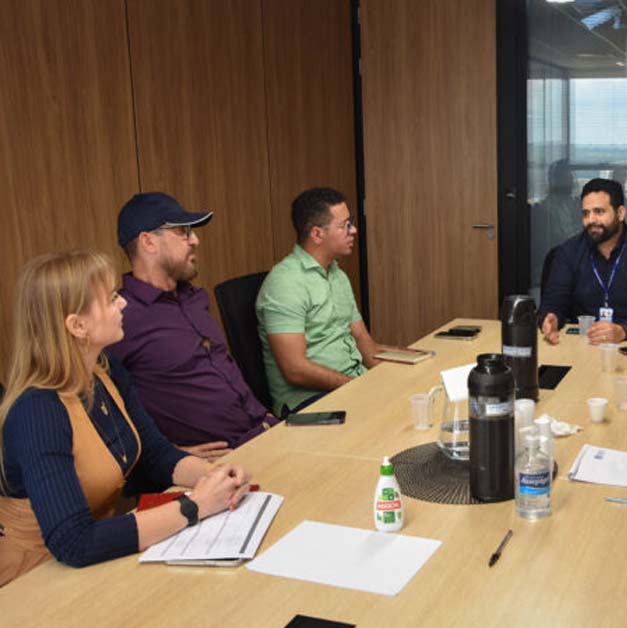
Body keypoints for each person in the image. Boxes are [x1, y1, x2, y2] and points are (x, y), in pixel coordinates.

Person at [0, 250, 253, 586]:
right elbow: (73, 541)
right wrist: (196, 506)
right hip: (34, 576)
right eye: (110, 299)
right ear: (77, 326)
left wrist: (217, 477)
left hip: (98, 556)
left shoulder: (106, 371)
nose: (123, 305)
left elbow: (156, 455)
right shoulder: (38, 411)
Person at [107, 192, 277, 459]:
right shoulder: (121, 316)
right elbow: (98, 411)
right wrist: (167, 455)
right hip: (220, 464)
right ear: (148, 242)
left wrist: (265, 416)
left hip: (266, 431)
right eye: (184, 232)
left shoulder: (194, 297)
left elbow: (221, 369)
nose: (195, 240)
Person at [256, 187, 396, 416]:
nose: (354, 230)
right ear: (317, 234)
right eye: (344, 226)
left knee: (414, 397)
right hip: (310, 402)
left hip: (350, 384)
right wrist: (358, 387)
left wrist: (404, 372)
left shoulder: (336, 275)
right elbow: (295, 370)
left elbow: (365, 344)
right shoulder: (285, 283)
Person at [539, 178, 627, 344]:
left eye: (599, 211)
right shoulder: (568, 252)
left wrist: (624, 330)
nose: (591, 220)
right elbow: (553, 301)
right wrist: (552, 318)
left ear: (620, 213)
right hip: (583, 342)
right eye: (586, 213)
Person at [530, 159, 582, 293]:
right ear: (553, 180)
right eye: (565, 177)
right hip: (555, 264)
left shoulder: (577, 205)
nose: (569, 181)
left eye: (569, 177)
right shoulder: (542, 210)